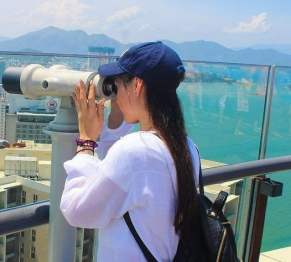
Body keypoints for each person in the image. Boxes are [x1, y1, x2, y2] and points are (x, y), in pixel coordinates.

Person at [61, 41, 201, 261]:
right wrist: (115, 120)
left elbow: (76, 210)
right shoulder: (188, 148)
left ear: (137, 85)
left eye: (118, 83)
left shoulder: (135, 151)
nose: (114, 93)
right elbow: (115, 181)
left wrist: (86, 144)